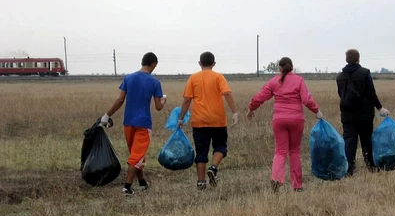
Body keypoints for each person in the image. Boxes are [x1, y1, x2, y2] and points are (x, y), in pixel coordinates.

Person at [247, 57, 323, 192]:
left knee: (280, 151)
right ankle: (297, 185)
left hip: (279, 120)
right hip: (297, 120)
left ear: (279, 68)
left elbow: (260, 96)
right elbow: (306, 99)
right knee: (294, 152)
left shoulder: (274, 81)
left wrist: (251, 108)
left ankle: (277, 178)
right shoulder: (299, 80)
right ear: (292, 67)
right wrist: (316, 111)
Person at [99, 52, 166, 196]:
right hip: (143, 123)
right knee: (136, 156)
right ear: (154, 64)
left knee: (136, 154)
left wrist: (106, 116)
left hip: (128, 122)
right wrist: (163, 100)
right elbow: (159, 107)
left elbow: (120, 100)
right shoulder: (155, 82)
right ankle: (127, 187)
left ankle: (142, 182)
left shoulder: (128, 78)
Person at [178, 51, 238, 190]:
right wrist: (234, 112)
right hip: (218, 120)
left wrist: (181, 118)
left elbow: (187, 100)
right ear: (214, 63)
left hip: (199, 121)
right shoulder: (218, 77)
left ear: (199, 63)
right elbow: (227, 93)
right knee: (220, 147)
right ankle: (213, 168)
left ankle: (201, 182)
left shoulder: (193, 78)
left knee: (201, 152)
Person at [336, 49, 390, 176]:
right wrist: (380, 108)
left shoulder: (340, 77)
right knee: (367, 141)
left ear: (346, 59)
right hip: (365, 114)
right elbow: (372, 93)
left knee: (349, 142)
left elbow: (341, 94)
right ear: (358, 58)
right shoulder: (364, 73)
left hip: (347, 115)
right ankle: (371, 166)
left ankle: (349, 169)